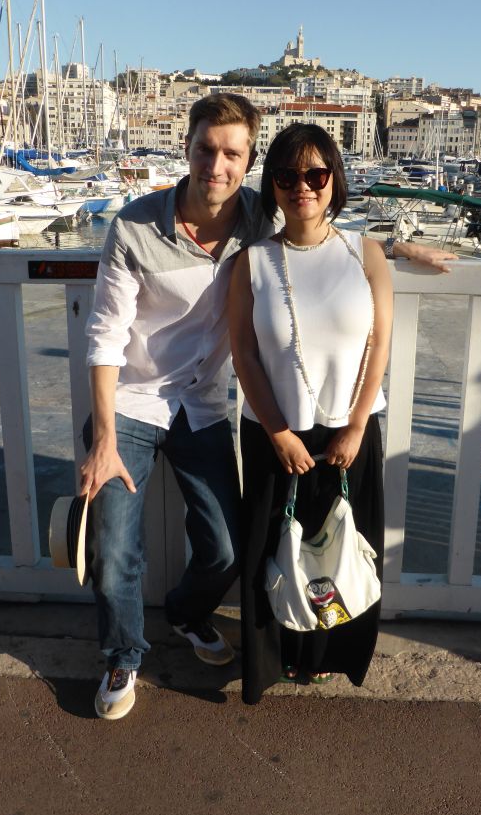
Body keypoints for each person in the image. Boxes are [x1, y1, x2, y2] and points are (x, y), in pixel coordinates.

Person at [81, 94, 456, 721]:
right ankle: (123, 654)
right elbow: (104, 334)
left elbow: (319, 231)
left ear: (246, 159)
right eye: (207, 148)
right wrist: (103, 438)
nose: (217, 165)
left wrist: (398, 247)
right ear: (188, 147)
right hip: (131, 403)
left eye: (232, 153)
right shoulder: (135, 227)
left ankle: (187, 612)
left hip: (200, 405)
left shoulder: (254, 216)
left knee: (227, 550)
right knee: (116, 543)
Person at [228, 123, 393, 705]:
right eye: (288, 175)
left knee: (343, 549)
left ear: (334, 180)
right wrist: (277, 432)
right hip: (277, 430)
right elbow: (243, 352)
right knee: (274, 550)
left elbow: (379, 346)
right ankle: (278, 659)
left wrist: (356, 424)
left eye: (316, 174)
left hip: (350, 431)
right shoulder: (253, 262)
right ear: (272, 184)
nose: (304, 186)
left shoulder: (366, 253)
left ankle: (331, 655)